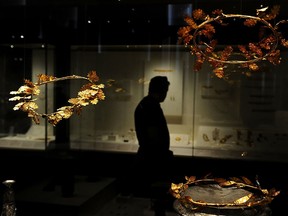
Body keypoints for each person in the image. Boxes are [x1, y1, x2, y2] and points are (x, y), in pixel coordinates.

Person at [133, 76, 174, 216]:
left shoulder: (148, 104)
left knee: (156, 199)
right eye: (166, 91)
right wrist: (162, 157)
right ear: (161, 90)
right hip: (153, 159)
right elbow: (153, 137)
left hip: (151, 157)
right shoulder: (151, 106)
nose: (166, 94)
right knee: (157, 198)